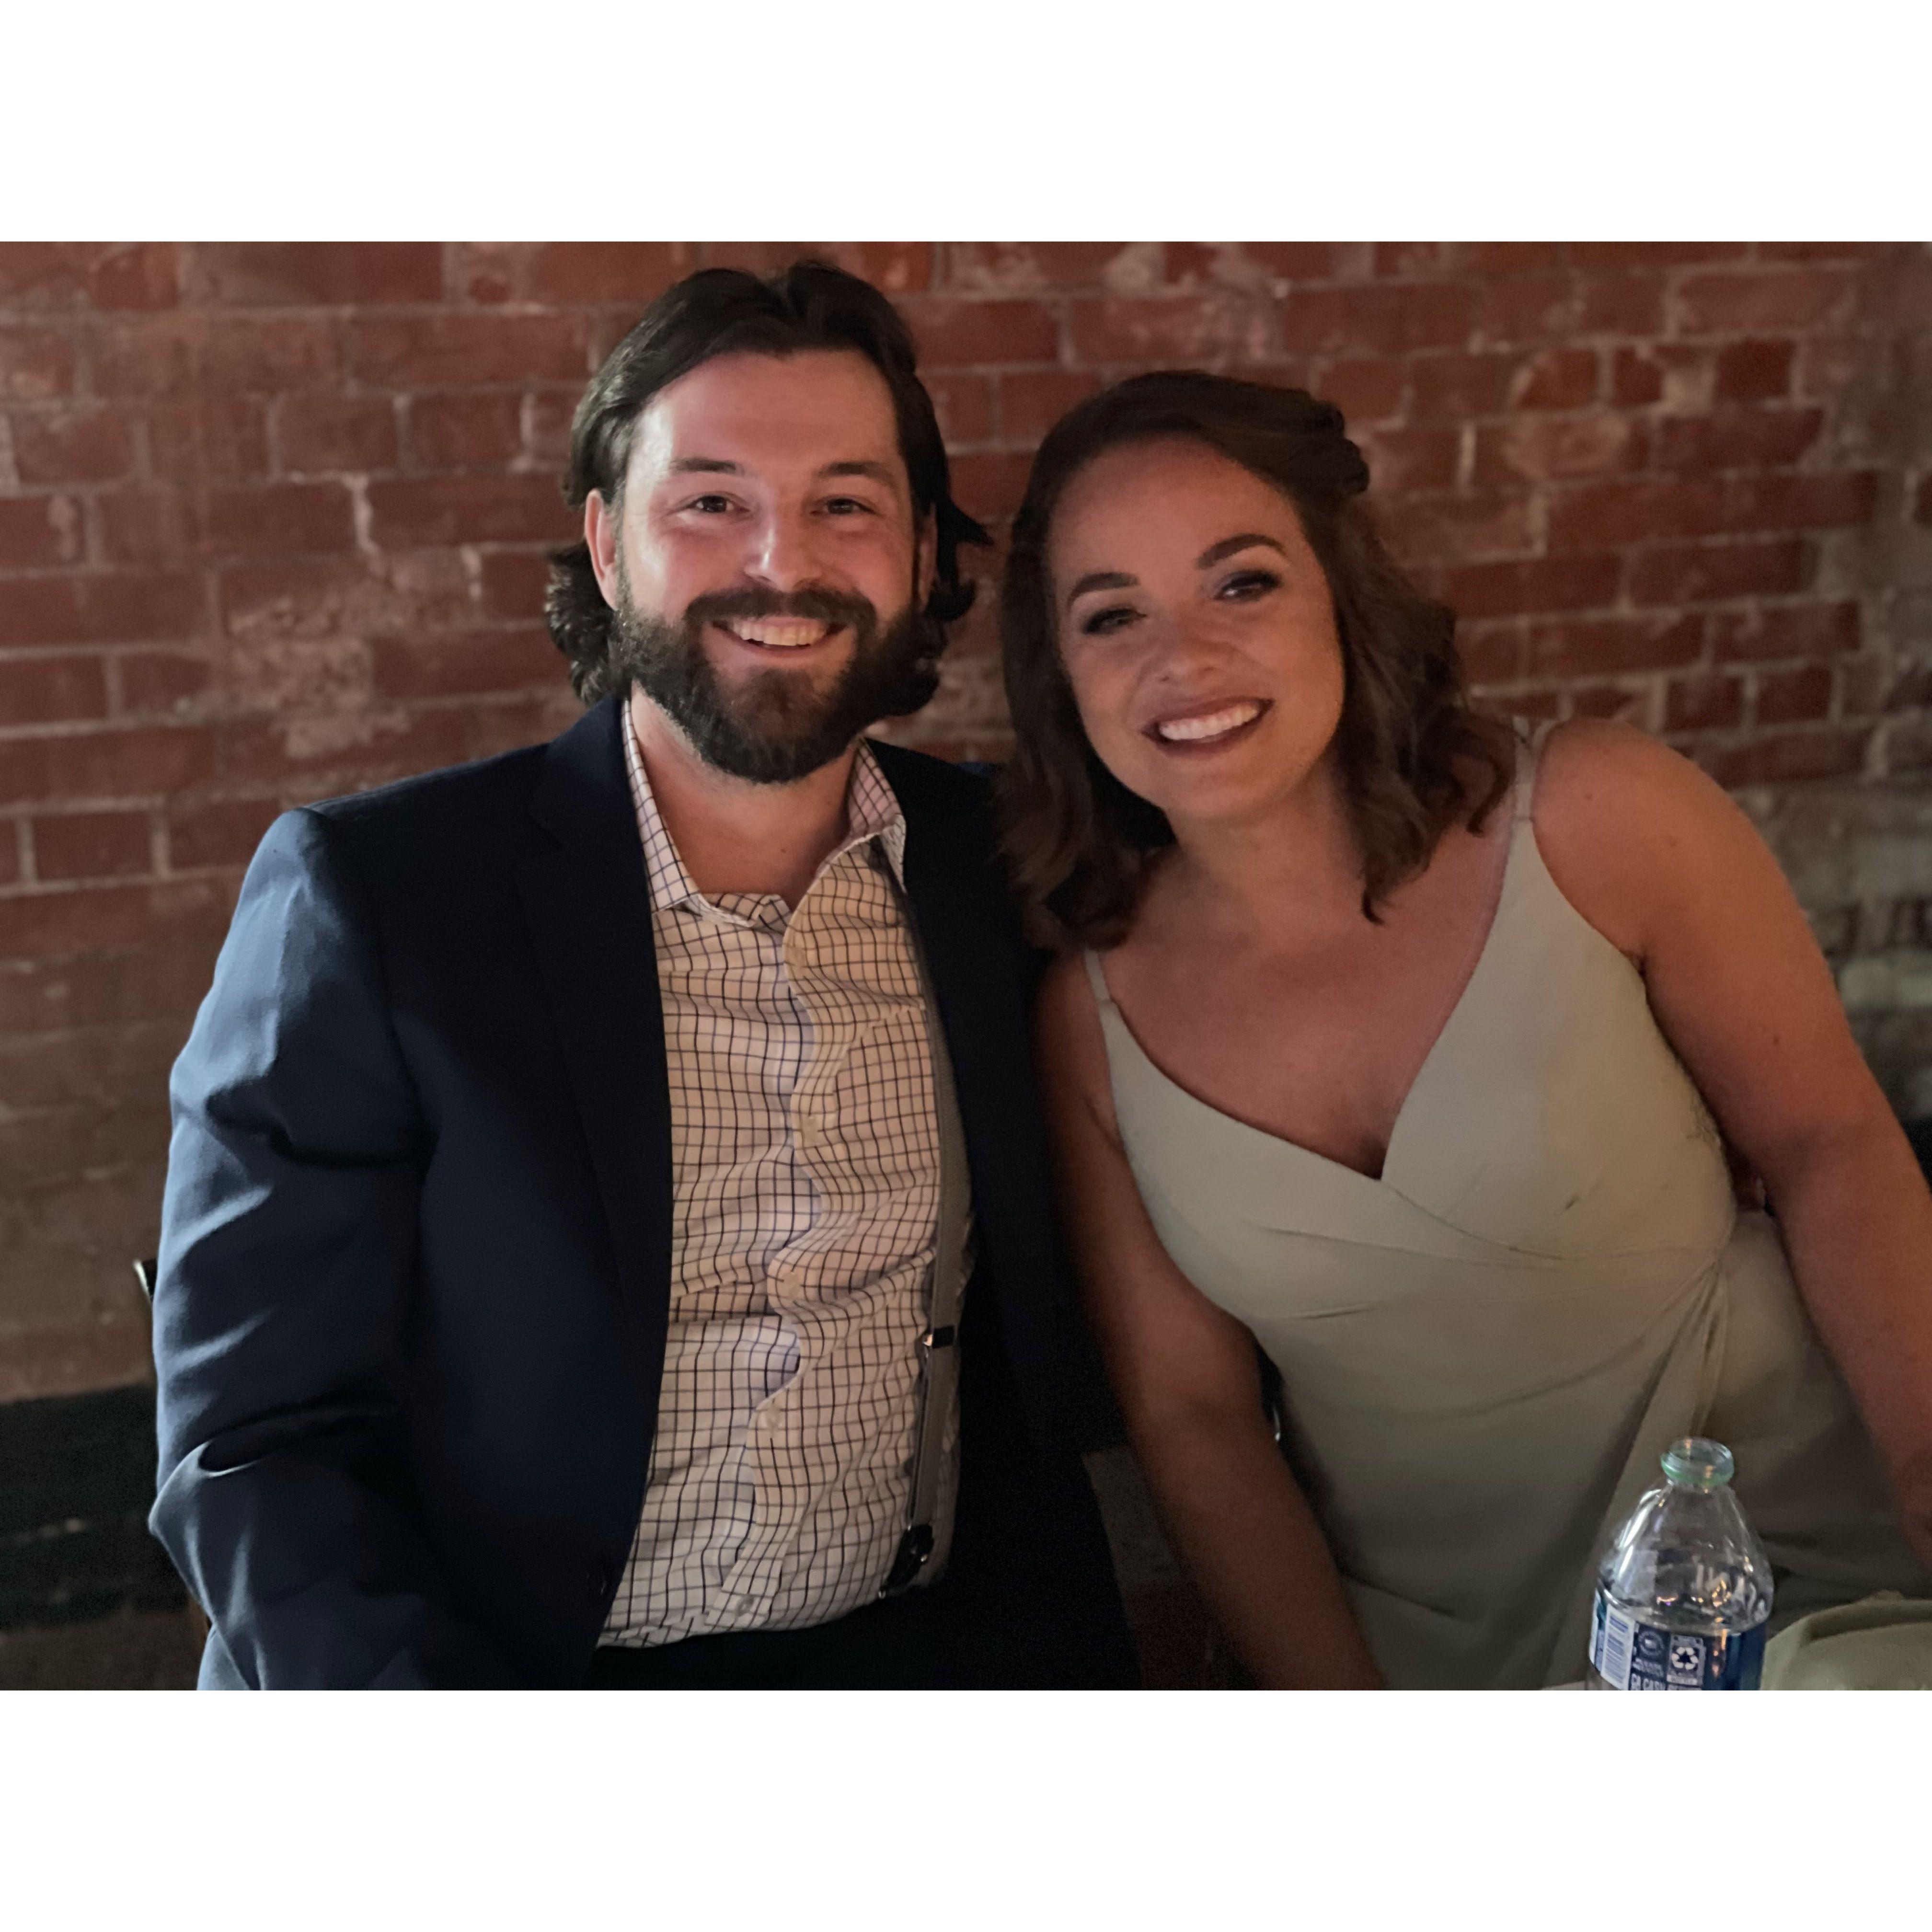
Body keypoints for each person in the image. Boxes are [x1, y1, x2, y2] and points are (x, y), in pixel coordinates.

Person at [150, 261, 1134, 1690]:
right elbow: (253, 1447)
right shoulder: (378, 902)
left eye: (847, 504)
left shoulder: (1003, 868)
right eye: (711, 502)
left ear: (924, 554)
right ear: (608, 545)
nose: (780, 562)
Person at [1000, 369, 1932, 1690]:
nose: (1183, 659)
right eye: (1111, 615)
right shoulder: (1087, 1023)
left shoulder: (1599, 816)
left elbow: (1828, 1139)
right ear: (1061, 674)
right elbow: (1194, 1417)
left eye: (1243, 583)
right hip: (1416, 1654)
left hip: (1776, 1578)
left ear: (1342, 593)